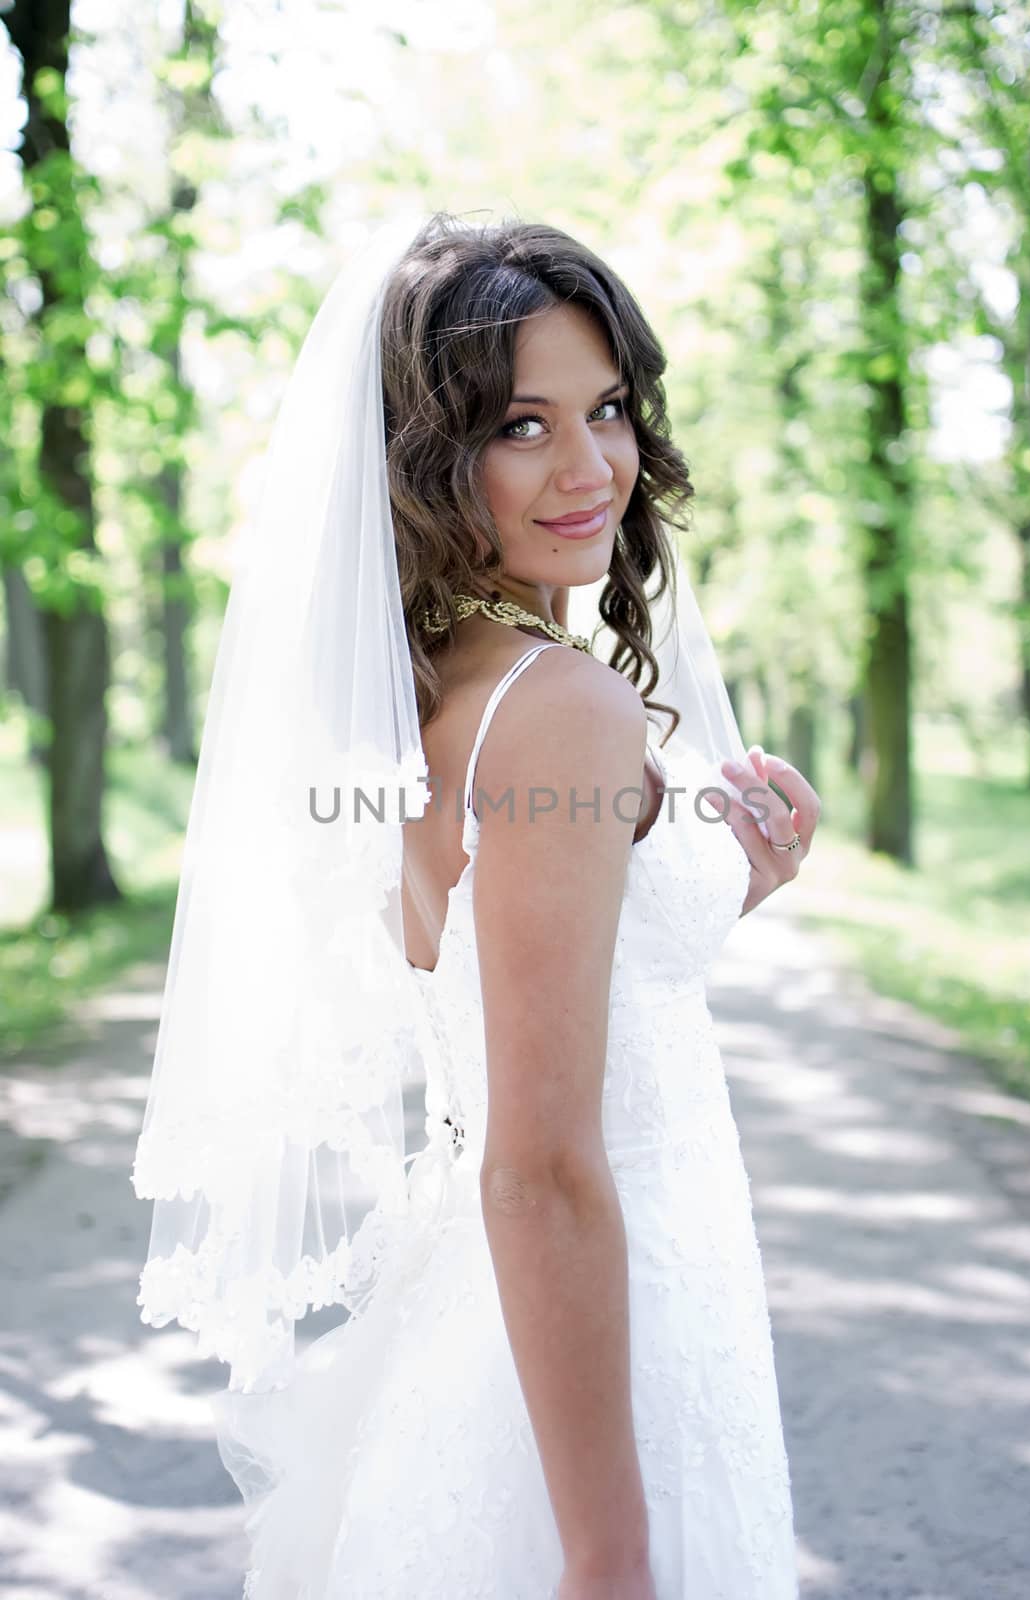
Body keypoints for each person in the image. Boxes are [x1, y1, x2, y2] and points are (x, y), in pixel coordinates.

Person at [132, 210, 820, 1600]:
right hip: (602, 1339)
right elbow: (541, 1165)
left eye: (610, 409)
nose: (592, 468)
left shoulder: (433, 684)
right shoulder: (560, 706)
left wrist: (723, 885)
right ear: (430, 461)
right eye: (523, 426)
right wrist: (608, 1553)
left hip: (494, 1328)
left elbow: (499, 988)